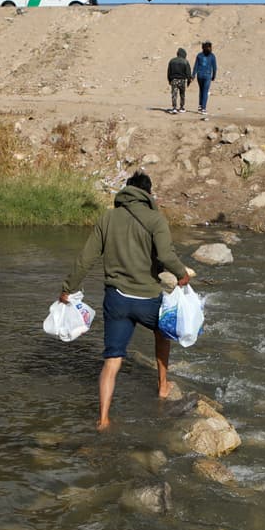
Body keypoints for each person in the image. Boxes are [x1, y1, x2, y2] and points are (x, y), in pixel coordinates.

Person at [58, 171, 191, 430]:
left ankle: (103, 418)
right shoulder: (156, 219)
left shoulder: (107, 218)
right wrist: (182, 274)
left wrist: (67, 288)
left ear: (127, 191)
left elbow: (85, 259)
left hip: (116, 299)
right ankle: (163, 387)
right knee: (162, 334)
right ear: (148, 194)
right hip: (148, 298)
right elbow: (165, 254)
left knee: (112, 359)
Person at [191, 40, 217, 116]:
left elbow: (195, 67)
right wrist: (214, 76)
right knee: (205, 91)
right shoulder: (212, 56)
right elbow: (215, 68)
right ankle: (203, 108)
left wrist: (193, 75)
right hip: (207, 75)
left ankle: (200, 105)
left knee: (201, 90)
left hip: (200, 75)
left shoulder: (199, 55)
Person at [166, 47, 191, 114]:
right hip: (182, 80)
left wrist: (169, 79)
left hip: (174, 80)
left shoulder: (172, 61)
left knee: (174, 94)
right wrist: (188, 81)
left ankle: (174, 108)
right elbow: (188, 73)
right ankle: (181, 107)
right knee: (182, 94)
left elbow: (169, 71)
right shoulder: (185, 61)